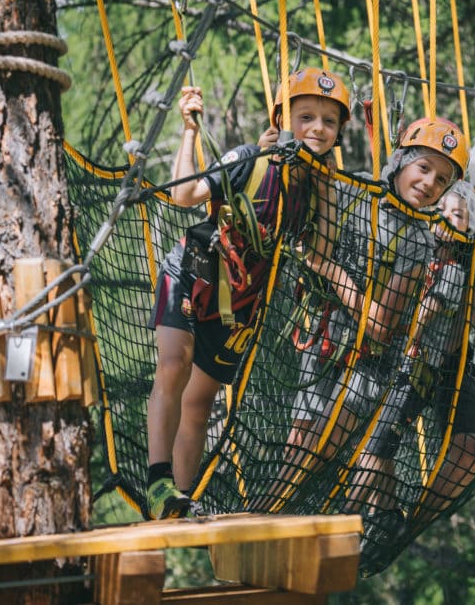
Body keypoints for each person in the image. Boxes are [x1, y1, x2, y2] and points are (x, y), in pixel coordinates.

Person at [145, 66, 352, 520]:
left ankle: (179, 500)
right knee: (173, 366)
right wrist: (189, 131)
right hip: (194, 270)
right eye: (306, 117)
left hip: (238, 305)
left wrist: (326, 183)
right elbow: (184, 195)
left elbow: (321, 250)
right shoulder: (250, 160)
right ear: (283, 120)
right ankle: (158, 481)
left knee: (199, 405)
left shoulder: (318, 190)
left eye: (328, 122)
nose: (317, 128)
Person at [258, 117, 469, 514]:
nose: (428, 184)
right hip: (326, 338)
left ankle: (275, 517)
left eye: (441, 181)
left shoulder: (419, 242)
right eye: (423, 169)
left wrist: (332, 271)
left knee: (318, 450)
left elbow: (379, 324)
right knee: (298, 443)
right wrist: (274, 150)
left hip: (371, 360)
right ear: (402, 162)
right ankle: (264, 518)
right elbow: (315, 215)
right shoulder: (355, 193)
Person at [348, 180, 475, 553]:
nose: (445, 220)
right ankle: (383, 515)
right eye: (440, 212)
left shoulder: (457, 268)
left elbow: (433, 314)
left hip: (423, 362)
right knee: (376, 450)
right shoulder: (416, 251)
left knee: (375, 451)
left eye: (456, 215)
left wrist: (413, 339)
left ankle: (363, 520)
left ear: (469, 230)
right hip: (405, 359)